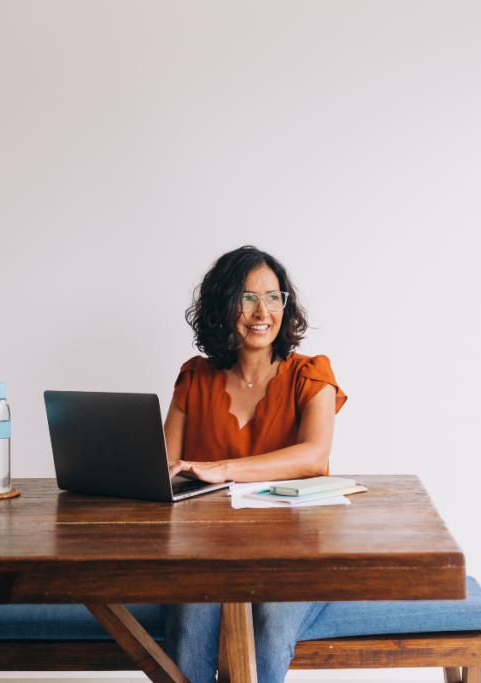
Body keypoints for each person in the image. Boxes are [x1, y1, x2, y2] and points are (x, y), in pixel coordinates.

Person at [162, 245, 346, 683]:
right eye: (246, 297)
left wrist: (221, 468)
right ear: (223, 307)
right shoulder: (193, 378)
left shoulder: (311, 374)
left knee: (270, 629)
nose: (261, 310)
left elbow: (314, 456)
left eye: (272, 297)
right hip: (207, 554)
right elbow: (165, 467)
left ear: (285, 304)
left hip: (296, 554)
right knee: (189, 630)